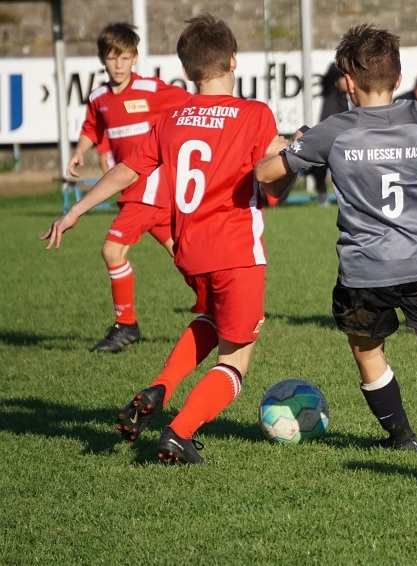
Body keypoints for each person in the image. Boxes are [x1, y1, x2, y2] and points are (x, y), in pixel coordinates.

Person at [255, 23, 417, 451]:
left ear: (348, 82)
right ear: (398, 80)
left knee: (367, 350)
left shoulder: (333, 130)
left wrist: (293, 144)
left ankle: (402, 438)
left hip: (369, 265)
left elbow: (266, 175)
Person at [44, 13, 288, 465]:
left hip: (190, 251)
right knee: (236, 360)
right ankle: (179, 432)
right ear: (234, 59)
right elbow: (274, 171)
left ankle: (160, 386)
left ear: (186, 70)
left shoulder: (172, 117)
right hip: (236, 252)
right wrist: (300, 149)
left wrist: (76, 209)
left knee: (212, 318)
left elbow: (127, 170)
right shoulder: (254, 114)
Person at [66, 22, 193, 353]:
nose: (119, 65)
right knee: (184, 254)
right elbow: (91, 128)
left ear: (135, 58)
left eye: (125, 57)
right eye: (112, 58)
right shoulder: (99, 98)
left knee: (112, 251)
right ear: (102, 60)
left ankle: (126, 326)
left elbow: (193, 104)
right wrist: (79, 151)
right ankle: (224, 306)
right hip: (135, 189)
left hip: (149, 186)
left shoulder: (152, 90)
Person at [308, 62, 350, 207]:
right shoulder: (332, 98)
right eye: (344, 78)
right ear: (336, 80)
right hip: (332, 144)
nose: (348, 82)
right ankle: (323, 195)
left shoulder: (348, 98)